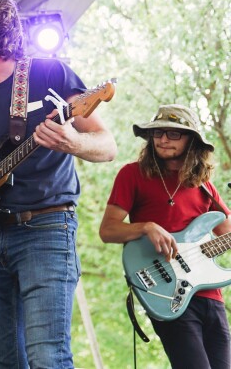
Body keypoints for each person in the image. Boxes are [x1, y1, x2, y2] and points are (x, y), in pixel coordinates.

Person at [0, 0, 116, 368]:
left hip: (44, 230)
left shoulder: (48, 72)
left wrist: (73, 143)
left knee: (47, 357)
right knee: (0, 361)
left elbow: (107, 144)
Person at [99, 104, 231, 368]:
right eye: (158, 133)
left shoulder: (204, 186)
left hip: (210, 294)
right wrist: (146, 226)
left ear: (191, 140)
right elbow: (108, 230)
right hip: (167, 292)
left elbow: (225, 233)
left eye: (173, 134)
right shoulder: (132, 174)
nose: (162, 139)